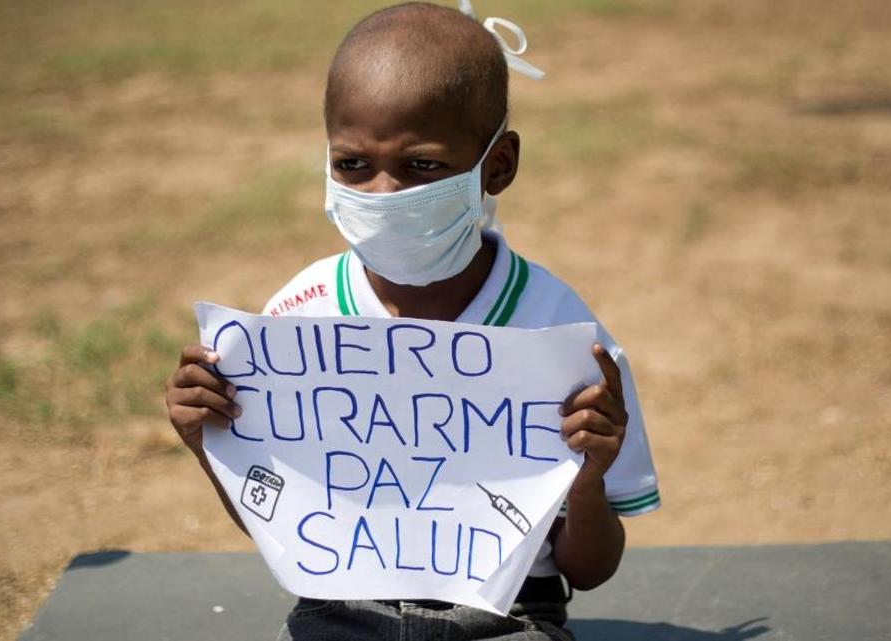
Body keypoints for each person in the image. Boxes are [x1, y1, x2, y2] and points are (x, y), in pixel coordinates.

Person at [164, 3, 659, 639]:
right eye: (352, 165)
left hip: (509, 614)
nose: (382, 194)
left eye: (422, 166)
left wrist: (589, 483)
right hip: (341, 609)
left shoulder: (562, 334)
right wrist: (209, 444)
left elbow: (589, 570)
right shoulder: (298, 317)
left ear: (498, 165)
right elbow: (285, 524)